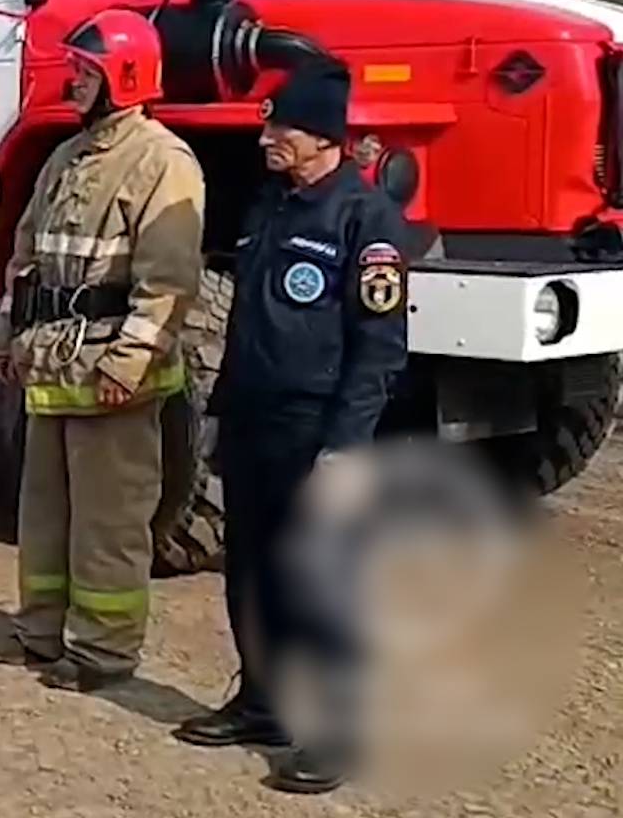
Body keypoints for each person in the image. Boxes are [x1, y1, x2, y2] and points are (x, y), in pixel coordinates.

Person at [172, 62, 408, 795]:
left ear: (322, 137)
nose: (267, 136)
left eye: (281, 126)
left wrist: (345, 445)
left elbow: (379, 347)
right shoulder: (271, 204)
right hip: (252, 419)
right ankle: (263, 701)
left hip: (316, 429)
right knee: (249, 570)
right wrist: (220, 415)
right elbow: (249, 318)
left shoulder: (365, 221)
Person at [0, 8, 205, 692]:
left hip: (111, 375)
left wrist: (130, 360)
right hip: (52, 367)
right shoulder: (64, 156)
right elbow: (25, 256)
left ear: (124, 78)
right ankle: (40, 631)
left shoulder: (161, 161)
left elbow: (168, 279)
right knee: (44, 513)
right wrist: (4, 334)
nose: (74, 82)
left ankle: (105, 651)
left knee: (109, 521)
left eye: (86, 73)